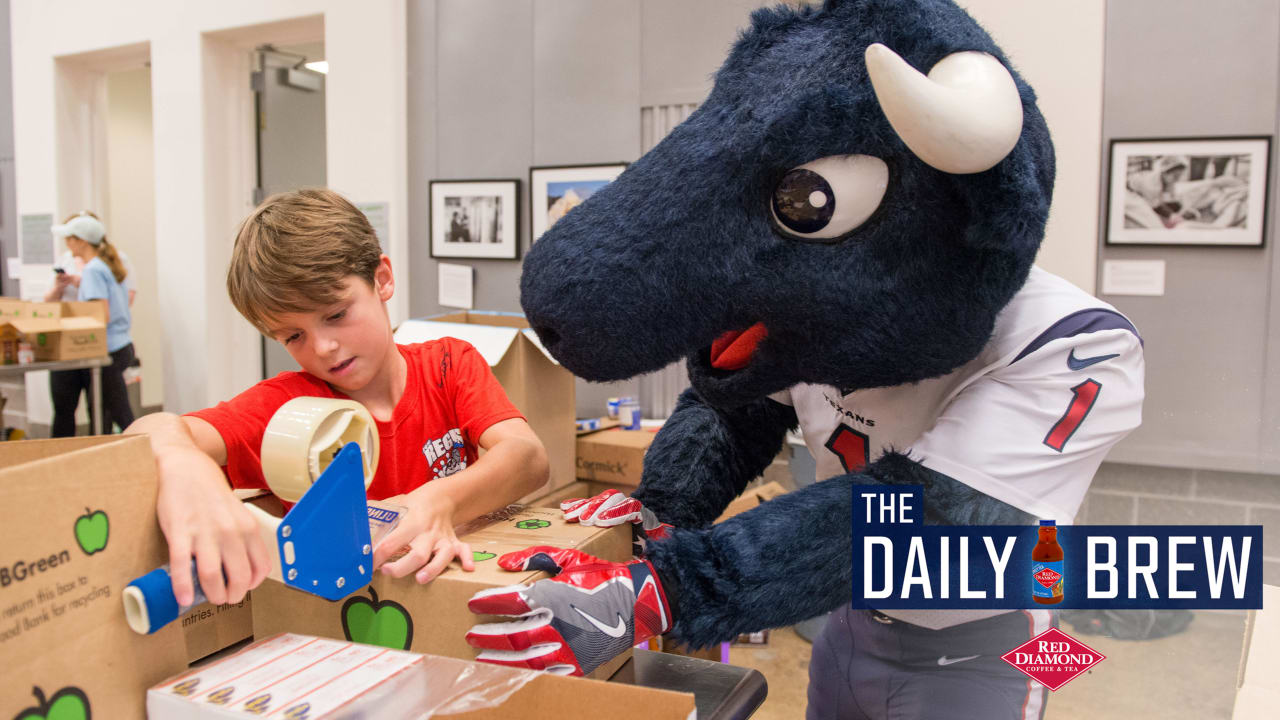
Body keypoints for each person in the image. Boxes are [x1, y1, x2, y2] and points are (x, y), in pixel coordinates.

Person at [125, 188, 549, 611]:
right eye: (294, 336)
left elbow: (528, 457)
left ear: (382, 280)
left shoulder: (448, 364)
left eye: (335, 314)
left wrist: (438, 500)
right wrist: (183, 463)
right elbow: (147, 433)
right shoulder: (285, 407)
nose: (323, 347)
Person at [45, 210, 138, 435]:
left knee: (122, 415)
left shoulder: (94, 270)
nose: (67, 244)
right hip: (119, 346)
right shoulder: (104, 265)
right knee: (117, 411)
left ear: (81, 241)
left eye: (70, 239)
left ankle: (148, 455)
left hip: (109, 350)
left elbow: (100, 314)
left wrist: (74, 329)